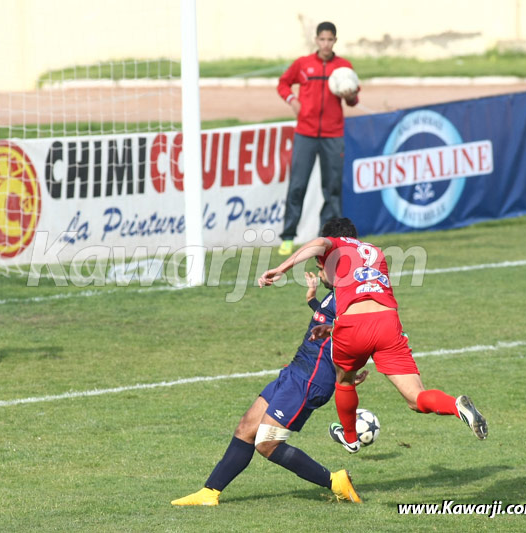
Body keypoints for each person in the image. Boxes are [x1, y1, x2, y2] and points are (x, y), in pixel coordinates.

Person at [258, 217, 487, 455]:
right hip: (389, 324)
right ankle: (455, 405)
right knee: (415, 397)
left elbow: (319, 244)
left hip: (353, 325)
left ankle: (350, 438)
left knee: (345, 380)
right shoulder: (375, 251)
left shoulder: (335, 244)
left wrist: (281, 269)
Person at [171, 270, 365, 506]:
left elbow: (361, 334)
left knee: (267, 443)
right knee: (246, 428)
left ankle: (336, 481)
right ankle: (210, 492)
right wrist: (312, 300)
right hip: (294, 372)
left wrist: (347, 375)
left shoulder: (350, 299)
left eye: (322, 267)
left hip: (309, 381)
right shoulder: (333, 294)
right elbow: (327, 319)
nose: (320, 271)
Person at [276, 21, 359, 256]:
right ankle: (288, 237)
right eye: (322, 39)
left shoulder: (344, 68)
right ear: (316, 40)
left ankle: (329, 238)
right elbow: (283, 83)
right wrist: (292, 101)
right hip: (306, 133)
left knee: (332, 189)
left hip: (333, 135)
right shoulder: (303, 65)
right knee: (297, 185)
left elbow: (353, 100)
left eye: (330, 39)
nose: (325, 43)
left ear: (335, 41)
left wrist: (350, 94)